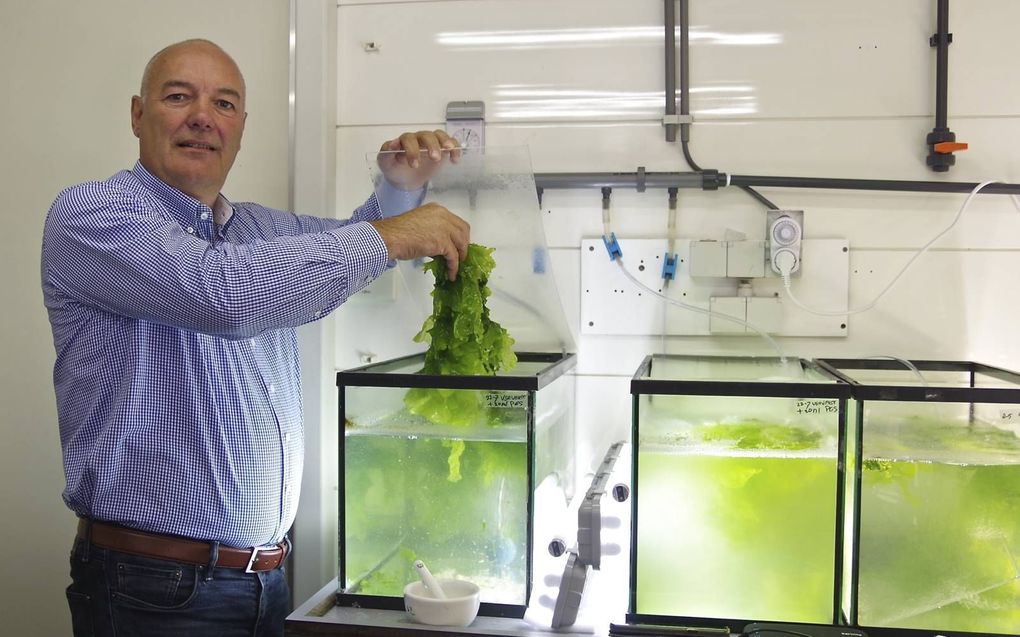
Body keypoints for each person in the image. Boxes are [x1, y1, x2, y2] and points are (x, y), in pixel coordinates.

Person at [41, 38, 469, 637]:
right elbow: (225, 297)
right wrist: (392, 234)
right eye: (178, 97)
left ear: (241, 127)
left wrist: (399, 187)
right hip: (154, 588)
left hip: (263, 583)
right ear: (138, 115)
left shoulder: (256, 229)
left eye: (224, 103)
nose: (202, 117)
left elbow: (338, 254)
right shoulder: (94, 216)